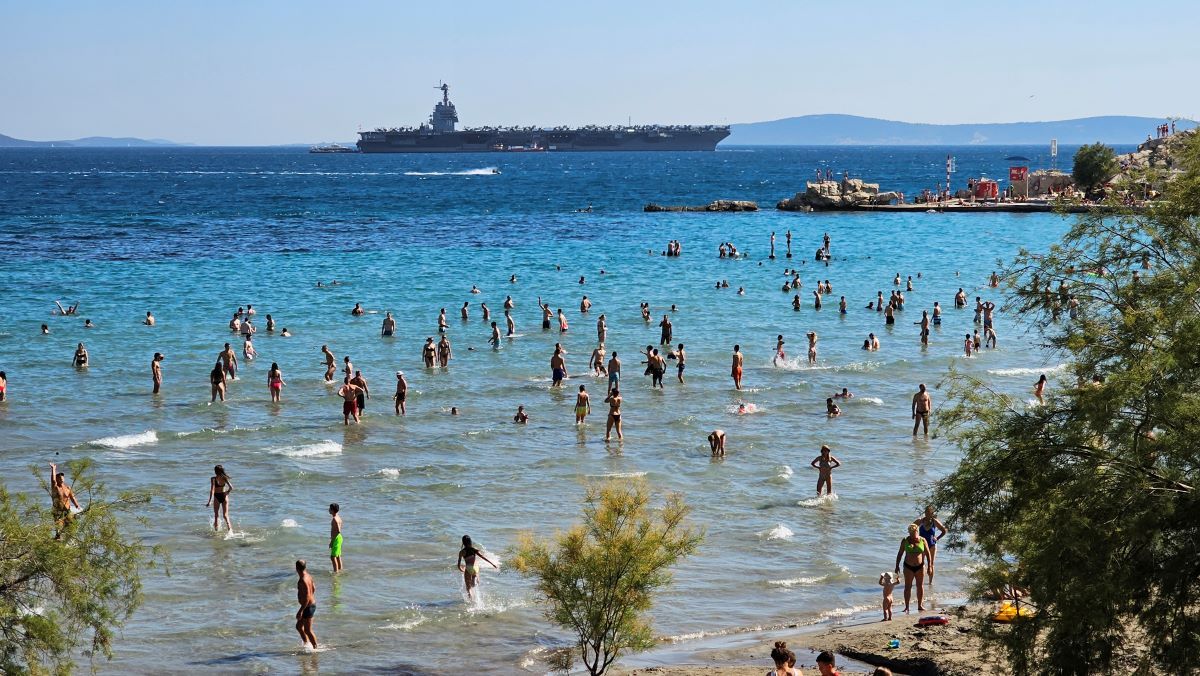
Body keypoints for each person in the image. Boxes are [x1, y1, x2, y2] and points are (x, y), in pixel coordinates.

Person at [895, 523, 928, 612]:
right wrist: (897, 565)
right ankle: (907, 607)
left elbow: (928, 553)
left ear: (917, 531)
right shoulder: (905, 540)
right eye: (911, 533)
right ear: (909, 532)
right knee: (907, 587)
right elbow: (900, 553)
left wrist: (930, 566)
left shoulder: (922, 540)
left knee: (920, 586)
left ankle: (920, 605)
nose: (913, 535)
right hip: (908, 566)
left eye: (915, 533)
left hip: (920, 566)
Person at [457, 535, 498, 601]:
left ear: (463, 542)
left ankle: (471, 600)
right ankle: (475, 586)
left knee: (468, 588)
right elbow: (483, 557)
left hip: (468, 568)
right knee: (474, 583)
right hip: (476, 568)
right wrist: (492, 564)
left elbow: (458, 565)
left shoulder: (462, 552)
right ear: (470, 541)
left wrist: (461, 569)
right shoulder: (474, 550)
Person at [49, 462, 81, 539]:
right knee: (58, 529)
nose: (61, 477)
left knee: (72, 525)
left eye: (62, 476)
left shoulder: (67, 488)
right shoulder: (55, 488)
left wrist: (77, 505)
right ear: (57, 479)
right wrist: (53, 469)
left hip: (67, 510)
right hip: (58, 511)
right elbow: (53, 480)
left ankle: (67, 539)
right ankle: (57, 538)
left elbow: (72, 497)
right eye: (59, 477)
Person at [916, 506, 948, 581]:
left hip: (932, 544)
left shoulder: (934, 521)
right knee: (921, 563)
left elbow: (944, 531)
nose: (927, 514)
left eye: (929, 512)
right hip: (922, 545)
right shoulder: (920, 521)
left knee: (931, 564)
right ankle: (921, 581)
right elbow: (911, 528)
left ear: (932, 513)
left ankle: (930, 583)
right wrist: (916, 537)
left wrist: (937, 538)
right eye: (926, 512)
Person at [295, 560, 318, 649]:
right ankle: (306, 644)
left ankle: (315, 649)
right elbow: (314, 588)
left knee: (308, 630)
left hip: (308, 607)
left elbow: (307, 597)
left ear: (296, 568)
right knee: (299, 626)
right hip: (309, 605)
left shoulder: (303, 580)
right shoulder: (308, 576)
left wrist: (300, 611)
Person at [205, 464, 233, 531]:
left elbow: (212, 490)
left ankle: (216, 532)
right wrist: (227, 492)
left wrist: (209, 501)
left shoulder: (213, 479)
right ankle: (230, 530)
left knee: (216, 515)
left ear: (215, 471)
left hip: (217, 496)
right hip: (224, 496)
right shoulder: (224, 478)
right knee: (225, 515)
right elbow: (231, 487)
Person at [329, 503, 344, 573]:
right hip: (339, 538)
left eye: (330, 509)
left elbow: (338, 531)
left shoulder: (335, 519)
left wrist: (332, 541)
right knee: (338, 556)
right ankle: (340, 569)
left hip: (336, 538)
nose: (329, 510)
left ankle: (336, 572)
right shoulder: (339, 517)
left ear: (332, 510)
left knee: (333, 557)